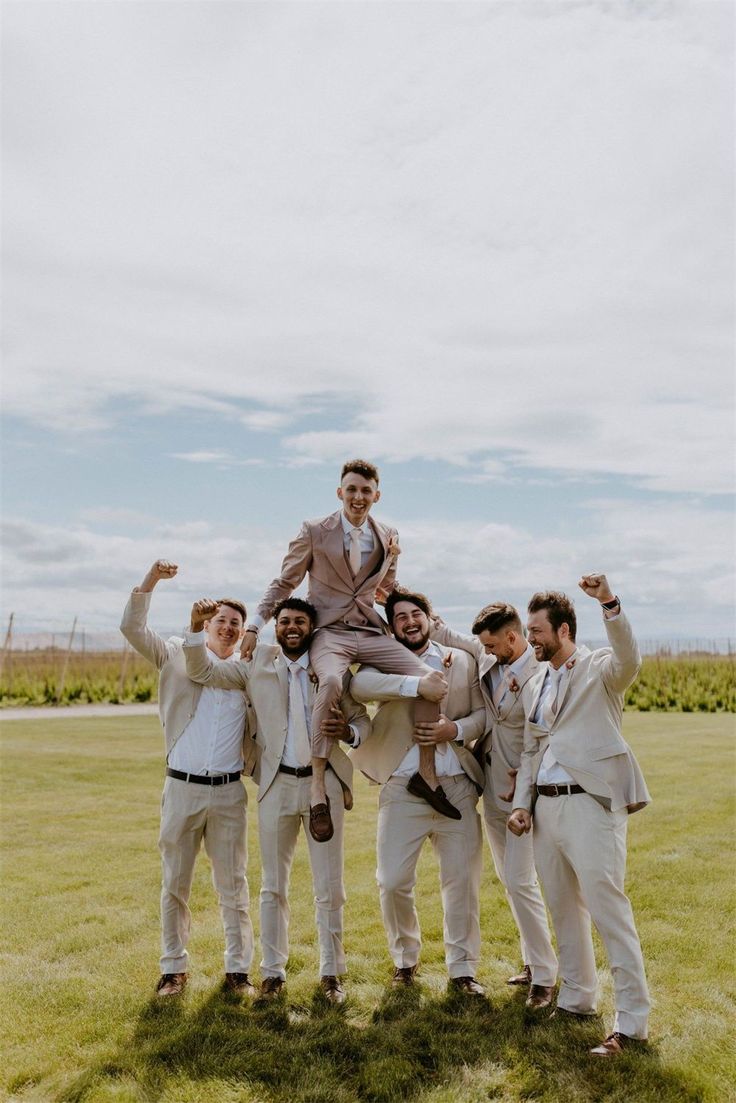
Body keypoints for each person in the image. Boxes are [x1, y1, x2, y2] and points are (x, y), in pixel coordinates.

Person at [240, 459, 451, 842]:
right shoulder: (313, 531)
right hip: (330, 633)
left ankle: (426, 774)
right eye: (351, 489)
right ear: (340, 492)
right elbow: (285, 581)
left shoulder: (388, 535)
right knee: (334, 681)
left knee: (429, 677)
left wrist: (431, 624)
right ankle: (318, 785)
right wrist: (255, 623)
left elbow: (388, 589)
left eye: (366, 491)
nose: (358, 497)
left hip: (370, 631)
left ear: (376, 495)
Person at [184, 595, 370, 1004]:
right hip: (275, 786)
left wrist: (348, 734)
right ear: (276, 626)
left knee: (330, 887)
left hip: (326, 788)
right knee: (273, 887)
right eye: (284, 621)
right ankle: (272, 973)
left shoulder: (332, 668)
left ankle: (331, 974)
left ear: (311, 628)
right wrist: (196, 629)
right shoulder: (256, 665)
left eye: (299, 622)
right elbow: (200, 669)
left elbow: (362, 722)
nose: (291, 627)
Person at [508, 574, 651, 1056]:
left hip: (591, 804)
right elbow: (531, 750)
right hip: (545, 811)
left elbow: (630, 658)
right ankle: (577, 998)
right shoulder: (535, 683)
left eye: (537, 632)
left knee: (608, 910)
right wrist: (521, 806)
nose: (531, 640)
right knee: (562, 907)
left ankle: (631, 1025)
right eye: (529, 632)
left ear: (564, 630)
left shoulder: (601, 669)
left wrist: (609, 603)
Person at [120, 559, 256, 998]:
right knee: (175, 884)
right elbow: (132, 628)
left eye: (236, 622)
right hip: (180, 787)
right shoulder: (176, 653)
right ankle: (173, 969)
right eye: (222, 620)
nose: (229, 627)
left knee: (233, 886)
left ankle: (238, 972)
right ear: (206, 622)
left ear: (242, 630)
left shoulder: (247, 674)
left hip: (229, 791)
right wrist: (151, 580)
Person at [350, 588, 487, 994]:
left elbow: (482, 716)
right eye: (401, 617)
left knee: (461, 882)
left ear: (429, 618)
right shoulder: (384, 660)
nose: (409, 622)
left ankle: (463, 970)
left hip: (456, 785)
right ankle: (405, 961)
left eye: (416, 614)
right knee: (392, 881)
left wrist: (454, 730)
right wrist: (416, 685)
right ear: (392, 626)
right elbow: (361, 688)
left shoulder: (460, 660)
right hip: (402, 787)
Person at [431, 602, 557, 1011]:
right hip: (491, 789)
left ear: (512, 638)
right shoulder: (491, 657)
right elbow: (450, 635)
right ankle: (529, 961)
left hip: (524, 794)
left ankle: (545, 976)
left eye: (491, 644)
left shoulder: (540, 674)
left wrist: (527, 785)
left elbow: (542, 737)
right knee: (511, 881)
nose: (485, 651)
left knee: (522, 881)